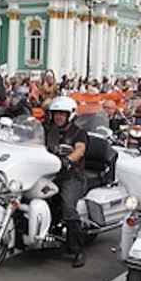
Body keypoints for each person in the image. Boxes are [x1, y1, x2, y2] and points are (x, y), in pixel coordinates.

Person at [45, 96, 88, 267]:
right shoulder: (49, 131)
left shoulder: (79, 133)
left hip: (72, 176)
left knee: (68, 207)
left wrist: (68, 160)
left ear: (70, 115)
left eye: (62, 114)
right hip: (49, 174)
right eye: (56, 114)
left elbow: (80, 150)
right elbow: (35, 143)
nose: (58, 117)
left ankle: (77, 250)